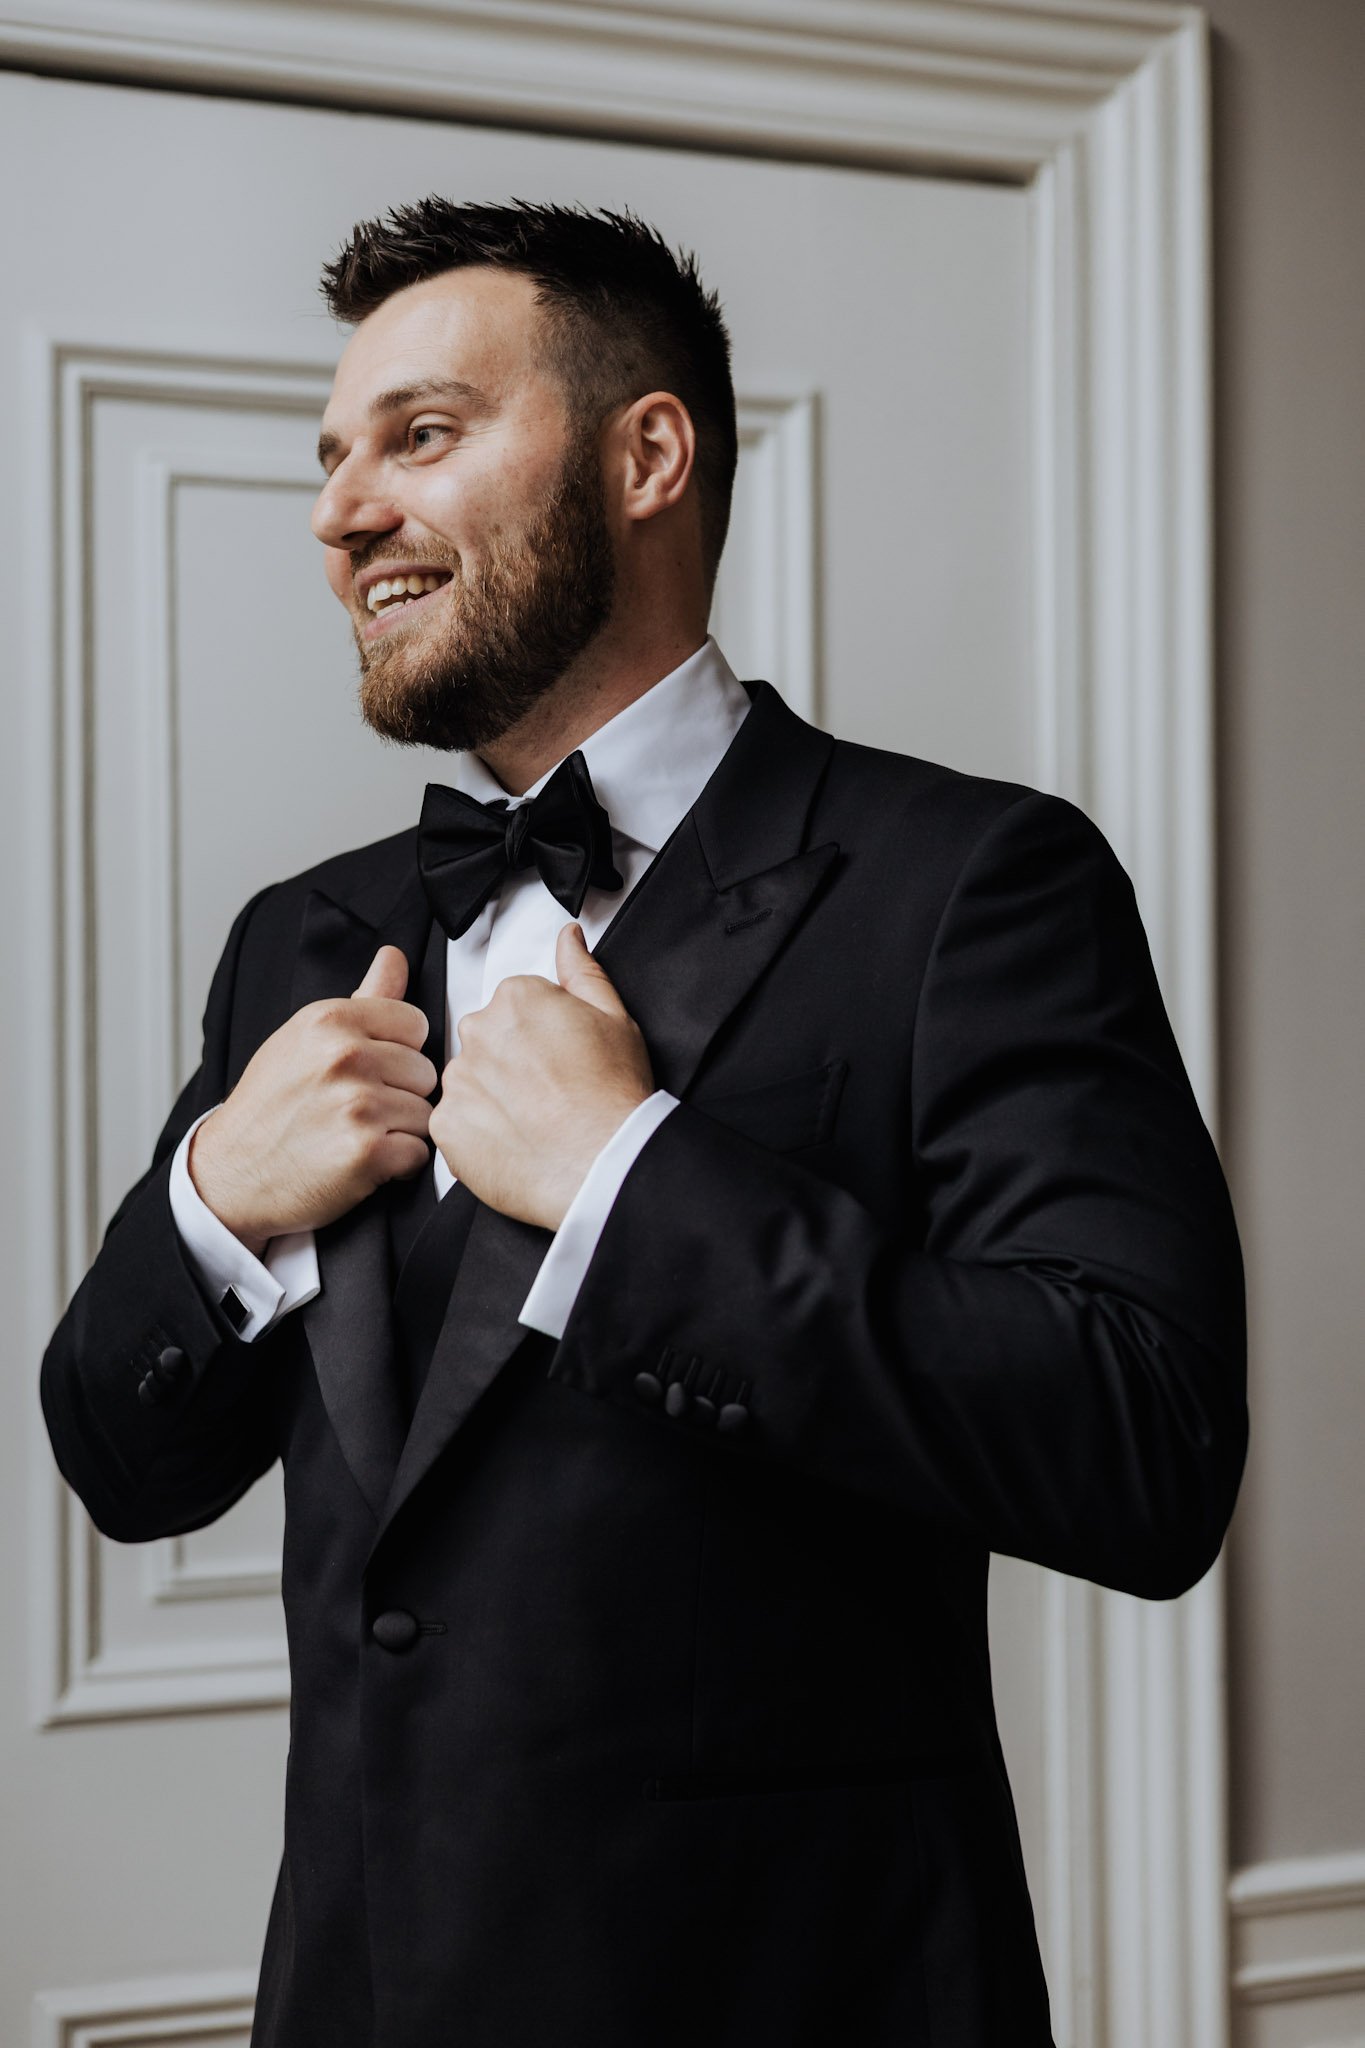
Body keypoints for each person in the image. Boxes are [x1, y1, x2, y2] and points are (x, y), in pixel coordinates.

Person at [40, 200, 1247, 2048]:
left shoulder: (970, 885)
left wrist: (631, 1182)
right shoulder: (299, 936)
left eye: (421, 435)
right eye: (332, 456)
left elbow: (1144, 1448)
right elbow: (124, 1465)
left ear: (647, 455)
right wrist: (212, 1206)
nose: (341, 509)